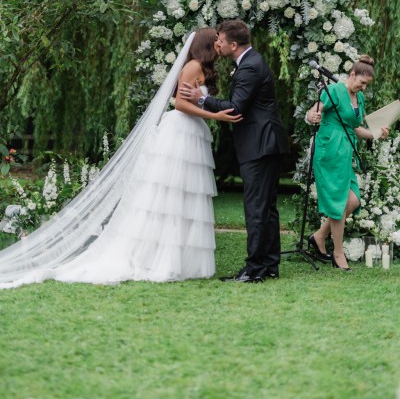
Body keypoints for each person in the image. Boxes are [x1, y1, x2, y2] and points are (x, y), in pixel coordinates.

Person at [0, 28, 242, 288]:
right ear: (205, 44)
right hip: (181, 132)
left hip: (192, 132)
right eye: (215, 40)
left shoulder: (202, 69)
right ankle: (160, 257)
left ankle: (180, 259)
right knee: (168, 193)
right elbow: (181, 104)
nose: (219, 44)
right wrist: (215, 115)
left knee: (185, 195)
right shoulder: (193, 66)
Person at [180, 19, 288, 283]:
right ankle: (269, 265)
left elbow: (236, 108)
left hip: (260, 145)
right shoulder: (251, 62)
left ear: (234, 44)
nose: (217, 43)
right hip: (265, 143)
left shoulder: (249, 66)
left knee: (256, 208)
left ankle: (254, 270)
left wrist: (202, 99)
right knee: (266, 208)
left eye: (220, 39)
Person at [306, 55, 389, 271]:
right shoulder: (334, 90)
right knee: (340, 202)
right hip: (330, 150)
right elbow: (314, 111)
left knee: (352, 201)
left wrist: (375, 133)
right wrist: (311, 117)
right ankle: (338, 252)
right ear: (352, 74)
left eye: (366, 85)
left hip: (346, 153)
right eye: (361, 83)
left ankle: (319, 237)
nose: (363, 88)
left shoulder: (359, 99)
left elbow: (354, 128)